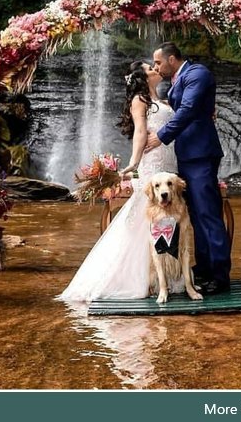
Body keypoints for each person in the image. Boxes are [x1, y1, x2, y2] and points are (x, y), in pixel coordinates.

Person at [57, 60, 179, 302]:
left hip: (169, 163)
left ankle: (165, 276)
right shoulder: (140, 101)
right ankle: (141, 278)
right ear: (142, 78)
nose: (155, 69)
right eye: (149, 68)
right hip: (152, 163)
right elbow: (140, 132)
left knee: (166, 219)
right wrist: (134, 163)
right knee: (147, 221)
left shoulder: (161, 101)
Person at [146, 42, 231, 295]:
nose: (156, 67)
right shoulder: (177, 79)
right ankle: (203, 268)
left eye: (159, 62)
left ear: (172, 59)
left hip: (201, 154)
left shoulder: (197, 74)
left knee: (209, 215)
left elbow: (190, 109)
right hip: (186, 155)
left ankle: (219, 276)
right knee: (195, 215)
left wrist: (161, 136)